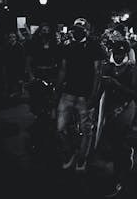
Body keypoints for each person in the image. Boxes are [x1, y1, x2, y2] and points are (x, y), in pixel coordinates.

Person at [56, 18, 106, 171]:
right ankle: (71, 152)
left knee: (86, 129)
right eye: (75, 28)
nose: (77, 31)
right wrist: (57, 90)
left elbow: (98, 73)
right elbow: (63, 70)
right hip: (68, 93)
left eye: (81, 28)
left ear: (87, 30)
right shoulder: (68, 47)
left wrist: (93, 95)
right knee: (60, 128)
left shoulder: (95, 47)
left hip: (85, 95)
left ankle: (82, 158)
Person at [101, 41, 137, 197]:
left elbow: (135, 93)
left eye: (121, 54)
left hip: (125, 107)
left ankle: (119, 180)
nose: (118, 57)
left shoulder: (132, 69)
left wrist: (116, 84)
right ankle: (127, 153)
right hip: (109, 109)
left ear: (126, 54)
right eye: (116, 53)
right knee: (112, 142)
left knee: (118, 142)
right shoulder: (107, 67)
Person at [1, 32, 26, 99]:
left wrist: (23, 70)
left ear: (16, 38)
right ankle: (12, 94)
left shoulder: (19, 46)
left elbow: (22, 59)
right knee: (11, 81)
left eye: (13, 37)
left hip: (18, 67)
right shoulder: (6, 46)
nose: (12, 39)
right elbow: (5, 58)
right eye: (10, 37)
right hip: (9, 67)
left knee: (19, 81)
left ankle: (19, 95)